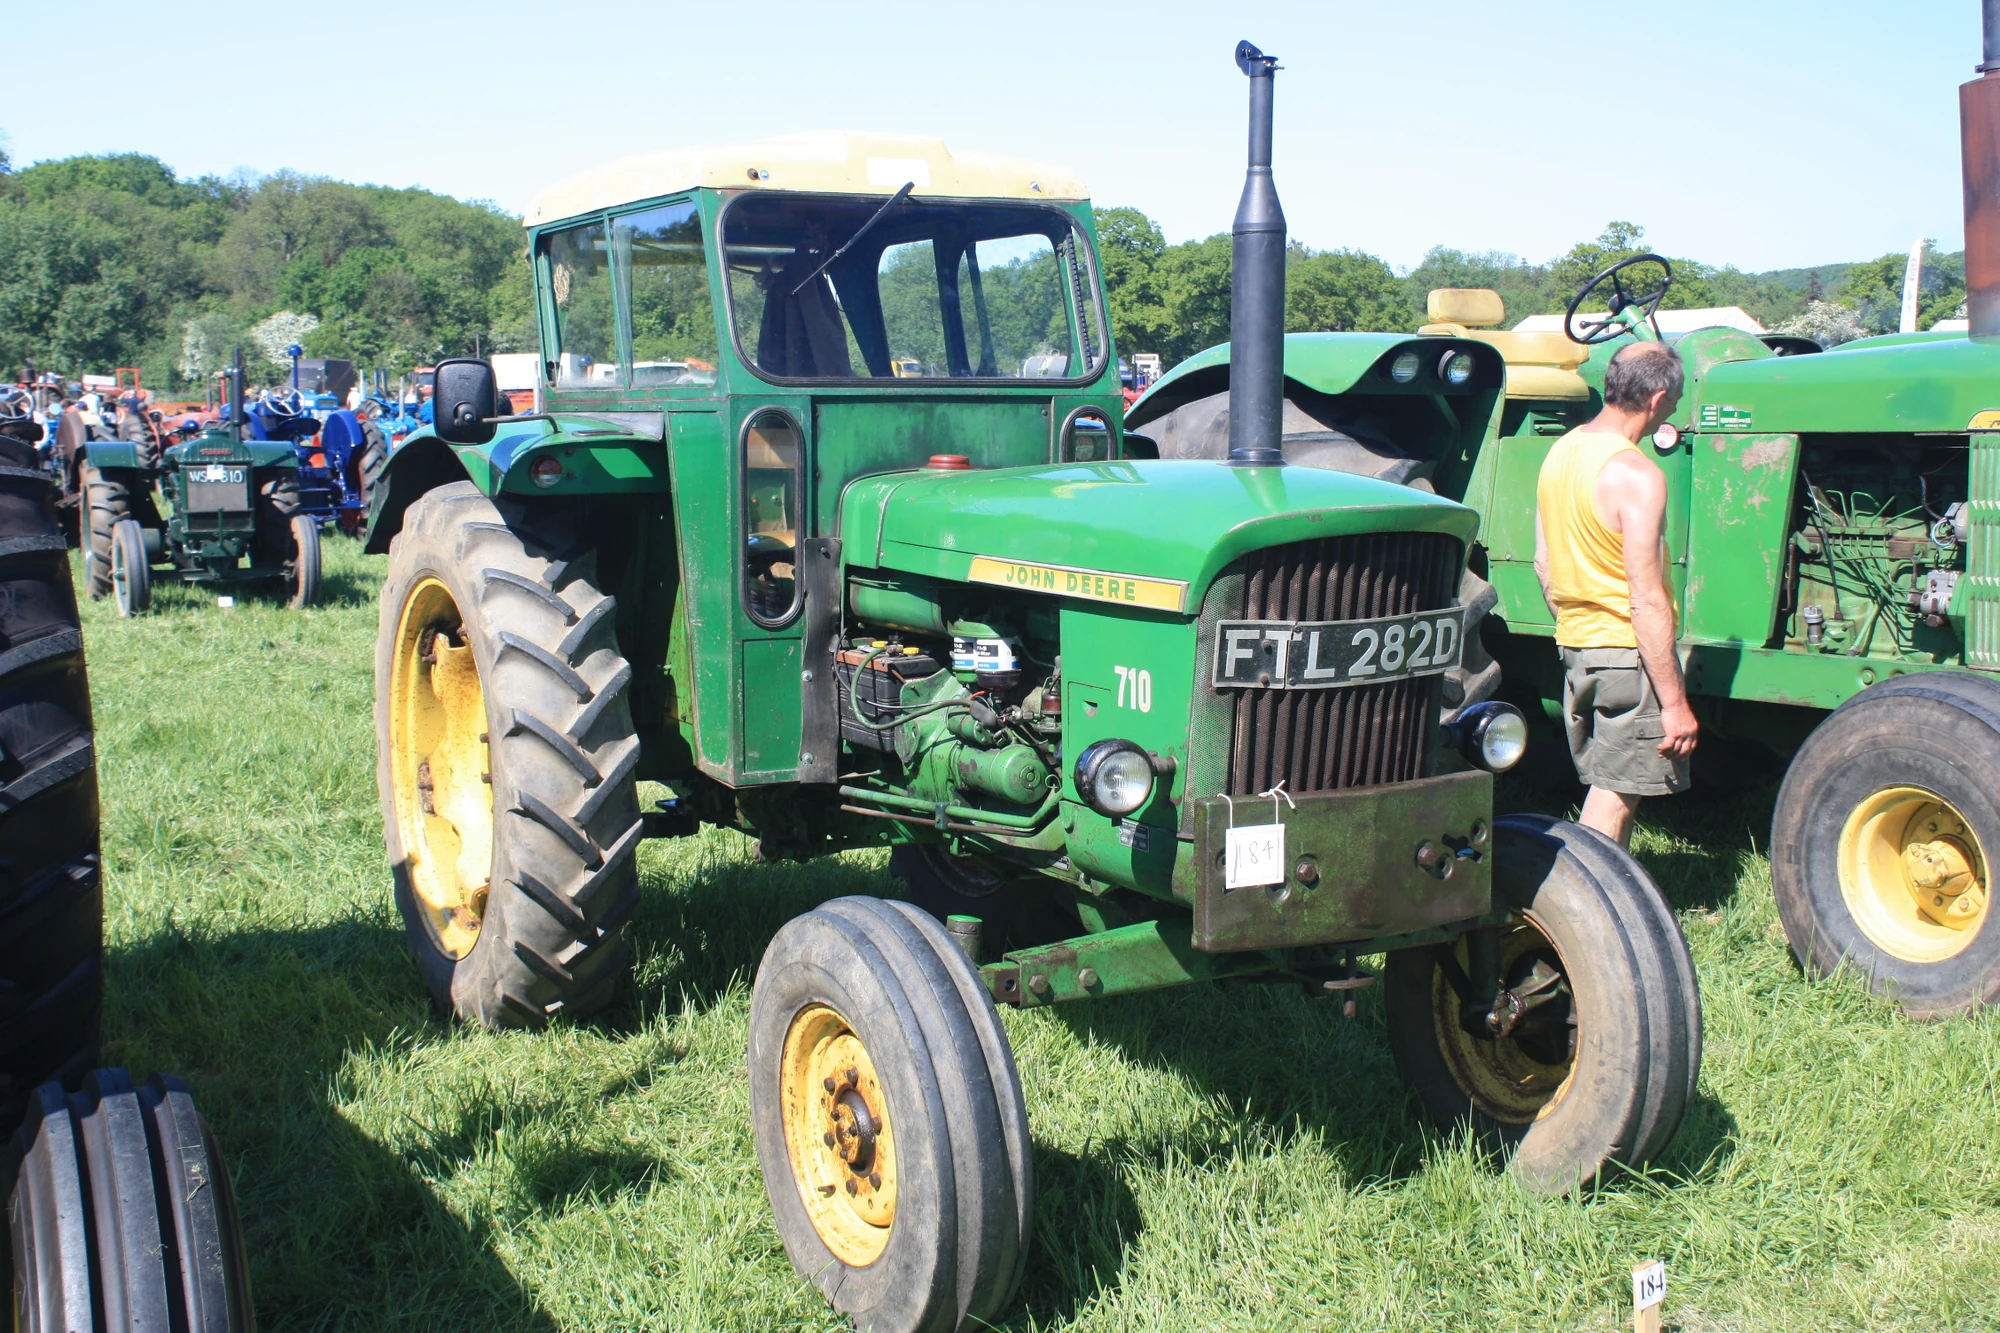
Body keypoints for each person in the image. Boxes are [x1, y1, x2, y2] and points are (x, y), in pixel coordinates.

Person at [1534, 340, 1698, 846]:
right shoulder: (1637, 474)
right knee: (1612, 803)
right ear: (1658, 398)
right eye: (1675, 400)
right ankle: (1584, 913)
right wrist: (1673, 703)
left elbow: (1544, 565)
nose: (1673, 410)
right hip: (1627, 654)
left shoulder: (1562, 451)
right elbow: (1646, 598)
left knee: (1610, 792)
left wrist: (1578, 628)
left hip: (1578, 645)